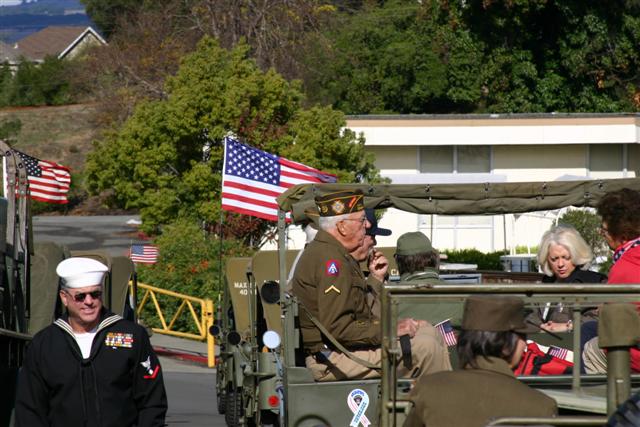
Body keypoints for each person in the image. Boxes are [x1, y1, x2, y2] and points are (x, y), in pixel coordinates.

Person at [290, 190, 451, 381]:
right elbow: (339, 328)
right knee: (427, 348)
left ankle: (437, 402)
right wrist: (391, 329)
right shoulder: (331, 261)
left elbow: (356, 313)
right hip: (332, 359)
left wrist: (395, 324)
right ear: (342, 227)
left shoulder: (334, 254)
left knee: (428, 331)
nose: (367, 225)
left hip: (340, 352)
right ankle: (441, 405)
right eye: (361, 220)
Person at [15, 257, 167, 427]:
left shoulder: (132, 336)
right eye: (80, 296)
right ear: (64, 298)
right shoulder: (44, 344)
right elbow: (30, 409)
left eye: (95, 294)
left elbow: (152, 401)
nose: (89, 301)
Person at [404, 295, 558, 427]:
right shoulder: (540, 406)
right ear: (507, 345)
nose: (524, 344)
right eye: (522, 337)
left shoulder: (428, 388)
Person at [583, 188, 640, 373]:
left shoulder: (625, 266)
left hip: (635, 355)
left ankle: (611, 400)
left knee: (591, 349)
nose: (602, 234)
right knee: (591, 328)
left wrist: (604, 309)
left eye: (605, 231)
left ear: (622, 235)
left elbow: (615, 321)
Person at [531, 225, 606, 333]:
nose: (560, 264)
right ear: (546, 259)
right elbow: (530, 316)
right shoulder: (544, 283)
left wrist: (568, 326)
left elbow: (598, 320)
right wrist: (540, 327)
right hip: (543, 344)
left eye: (566, 258)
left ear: (576, 255)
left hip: (579, 345)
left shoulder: (594, 283)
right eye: (554, 259)